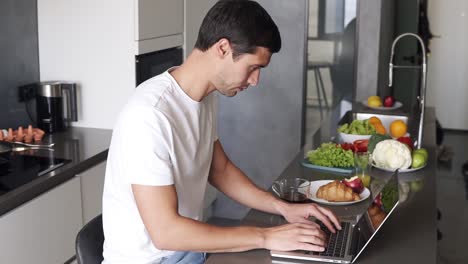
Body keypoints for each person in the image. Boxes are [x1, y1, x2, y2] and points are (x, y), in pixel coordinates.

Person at [102, 1, 341, 263]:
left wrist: (282, 207)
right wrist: (266, 236)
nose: (255, 80)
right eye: (253, 67)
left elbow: (220, 170)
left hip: (187, 251)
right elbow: (165, 233)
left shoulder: (203, 98)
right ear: (223, 48)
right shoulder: (149, 115)